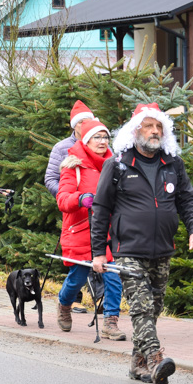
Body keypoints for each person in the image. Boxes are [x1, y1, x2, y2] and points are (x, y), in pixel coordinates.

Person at [91, 103, 193, 384]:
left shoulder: (173, 164)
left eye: (159, 127)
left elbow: (187, 200)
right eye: (148, 126)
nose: (154, 132)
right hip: (128, 249)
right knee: (141, 307)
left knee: (153, 308)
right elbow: (101, 208)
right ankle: (156, 361)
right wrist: (97, 252)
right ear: (135, 130)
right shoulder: (117, 164)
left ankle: (137, 364)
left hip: (162, 249)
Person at [56, 119, 126, 340]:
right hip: (81, 230)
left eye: (106, 137)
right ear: (86, 140)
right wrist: (80, 198)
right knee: (77, 278)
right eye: (98, 137)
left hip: (108, 232)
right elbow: (62, 199)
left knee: (113, 277)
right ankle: (64, 305)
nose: (103, 141)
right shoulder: (73, 165)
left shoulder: (117, 164)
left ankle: (111, 322)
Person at [45, 100, 95, 314]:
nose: (85, 125)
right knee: (77, 255)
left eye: (89, 121)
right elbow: (50, 178)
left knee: (100, 254)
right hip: (73, 210)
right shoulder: (62, 148)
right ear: (74, 125)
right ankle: (72, 300)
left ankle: (103, 302)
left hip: (97, 210)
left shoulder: (100, 145)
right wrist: (69, 198)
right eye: (81, 122)